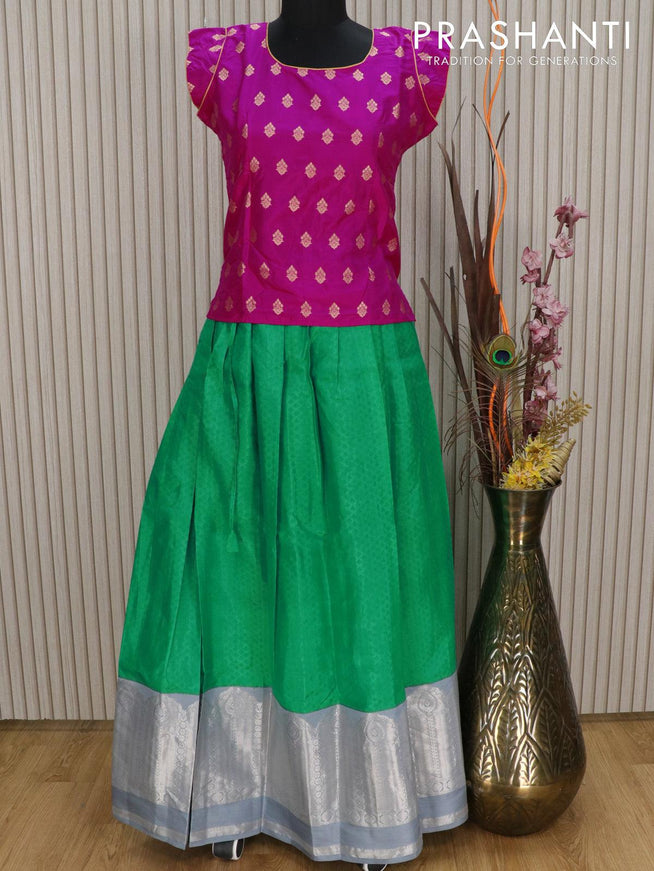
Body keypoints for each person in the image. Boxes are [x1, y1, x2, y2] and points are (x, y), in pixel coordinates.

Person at [111, 2, 468, 868]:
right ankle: (232, 786)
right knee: (234, 565)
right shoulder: (224, 64)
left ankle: (374, 793)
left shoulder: (409, 67)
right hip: (248, 359)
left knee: (364, 570)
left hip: (362, 373)